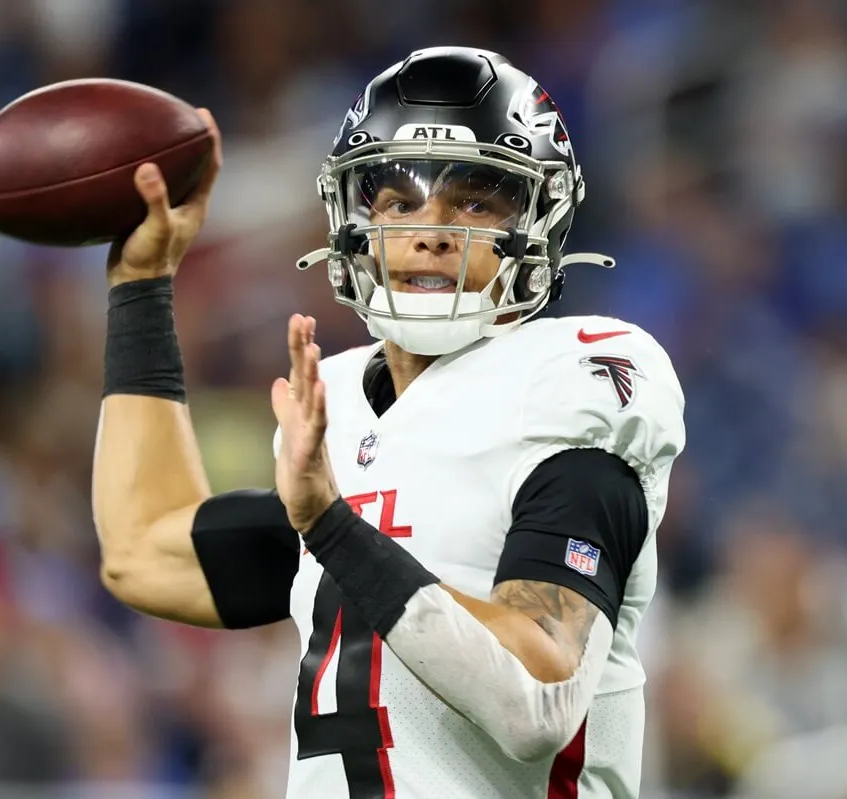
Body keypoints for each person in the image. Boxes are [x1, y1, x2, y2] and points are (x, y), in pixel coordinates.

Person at [93, 46, 686, 799]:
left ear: (540, 222)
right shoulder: (339, 407)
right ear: (352, 221)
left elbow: (539, 699)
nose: (431, 230)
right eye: (399, 201)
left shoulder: (565, 386)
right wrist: (141, 286)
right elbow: (142, 551)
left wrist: (333, 526)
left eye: (476, 199)